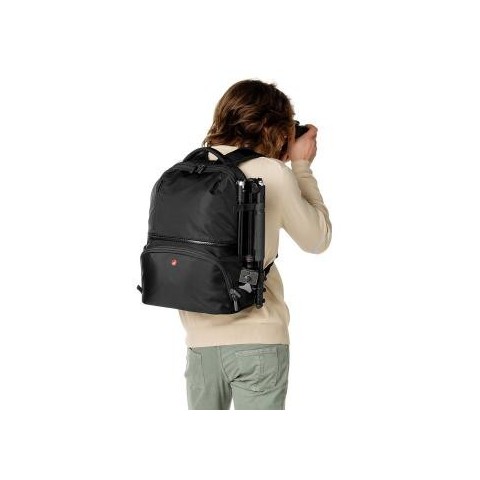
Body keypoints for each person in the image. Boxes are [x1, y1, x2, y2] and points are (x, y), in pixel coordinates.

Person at [178, 79, 332, 410]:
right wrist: (301, 166)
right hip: (258, 341)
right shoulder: (271, 172)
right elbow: (317, 239)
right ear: (272, 126)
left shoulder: (190, 170)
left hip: (199, 345)